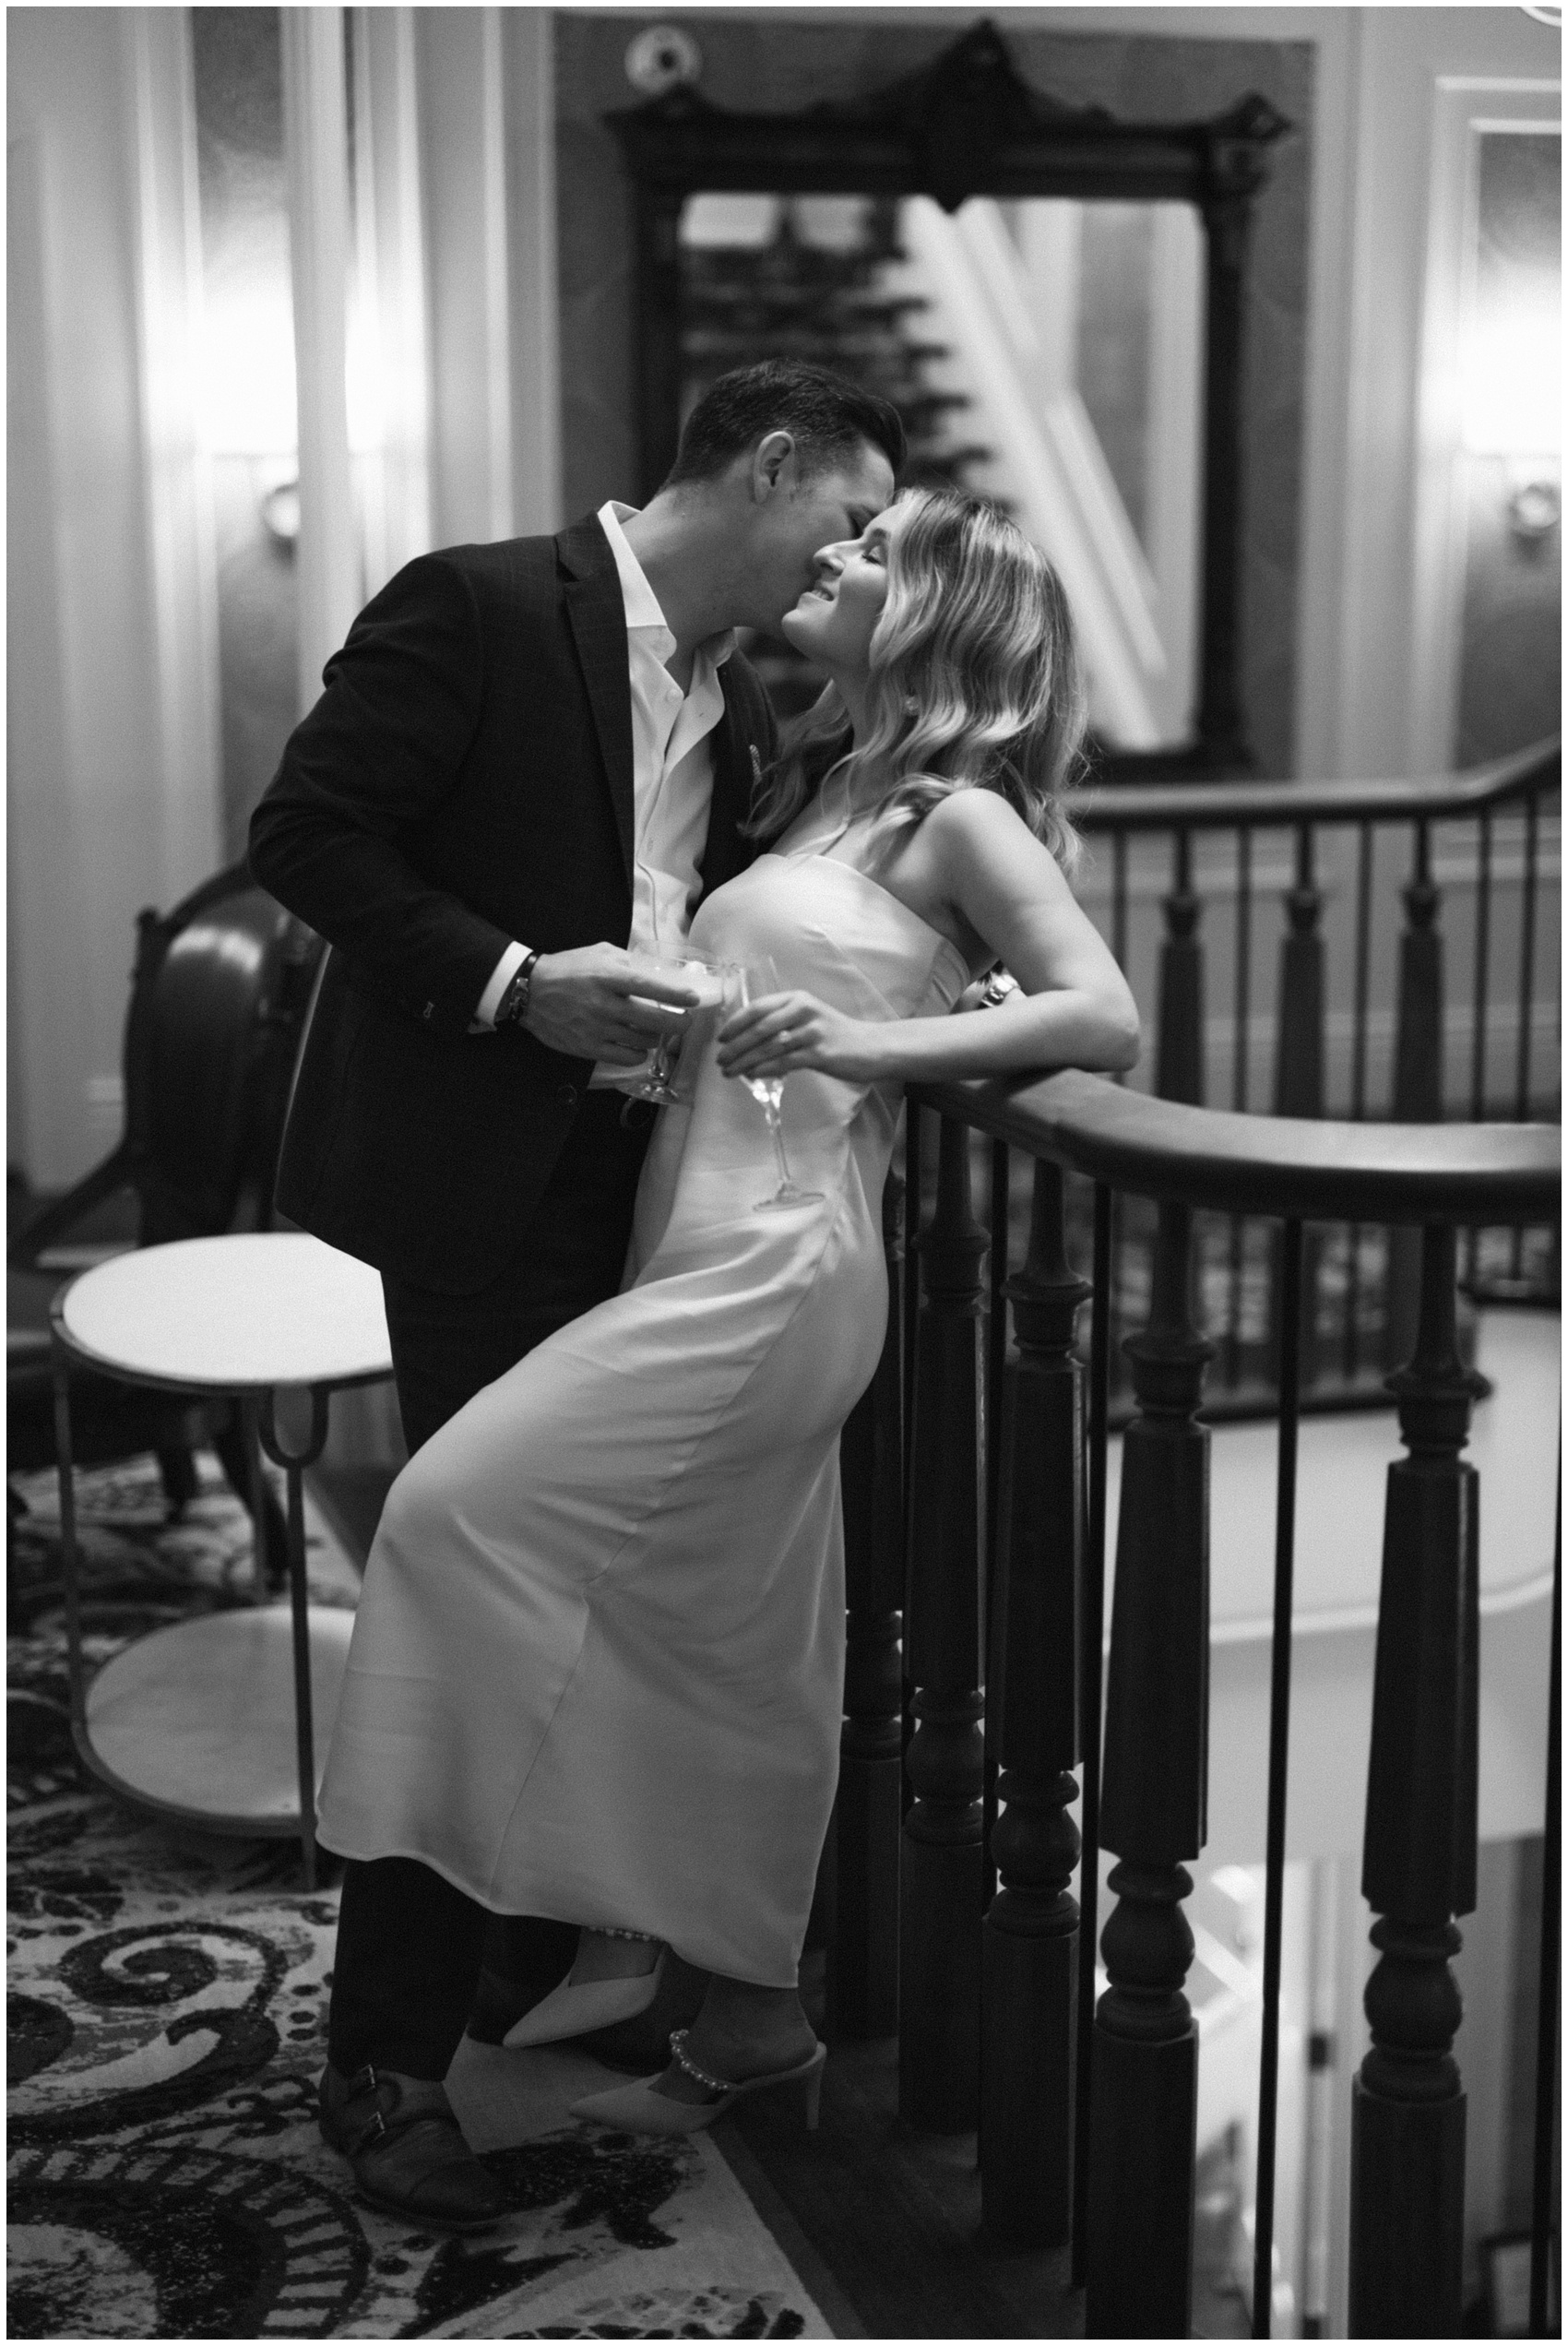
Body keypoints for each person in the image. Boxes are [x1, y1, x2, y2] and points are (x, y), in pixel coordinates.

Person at [307, 486, 1140, 2222]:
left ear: (934, 612)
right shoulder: (813, 778)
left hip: (771, 1262)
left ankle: (480, 1947)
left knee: (449, 1514)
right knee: (728, 1637)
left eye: (875, 551)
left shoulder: (956, 812)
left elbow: (1103, 1011)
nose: (836, 558)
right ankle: (751, 2002)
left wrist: (873, 1033)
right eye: (837, 521)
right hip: (678, 1233)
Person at [247, 361, 904, 2229]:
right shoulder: (475, 601)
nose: (846, 555)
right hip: (480, 1200)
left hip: (654, 1221)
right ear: (766, 465)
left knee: (607, 1612)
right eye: (842, 515)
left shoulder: (743, 701)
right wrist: (513, 981)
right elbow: (305, 833)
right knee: (474, 1589)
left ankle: (525, 1972)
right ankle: (379, 2068)